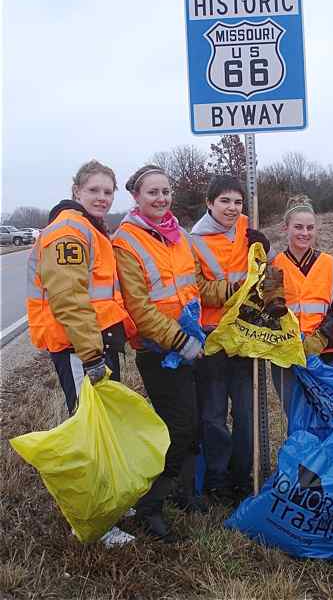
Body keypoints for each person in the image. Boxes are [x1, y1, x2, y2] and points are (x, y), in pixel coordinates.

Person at [26, 159, 136, 547]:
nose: (103, 198)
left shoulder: (91, 229)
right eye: (94, 191)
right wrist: (91, 357)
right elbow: (69, 299)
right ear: (77, 192)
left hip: (96, 344)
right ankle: (94, 521)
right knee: (90, 432)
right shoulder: (69, 231)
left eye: (108, 191)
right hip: (81, 349)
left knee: (103, 427)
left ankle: (110, 500)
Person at [113, 164, 215, 540]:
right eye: (152, 193)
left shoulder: (178, 235)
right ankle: (150, 505)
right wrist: (180, 342)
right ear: (137, 198)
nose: (161, 199)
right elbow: (139, 307)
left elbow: (198, 286)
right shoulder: (126, 241)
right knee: (179, 426)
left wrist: (238, 289)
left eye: (166, 191)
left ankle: (185, 492)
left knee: (195, 422)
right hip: (160, 351)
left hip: (193, 345)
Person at [190, 174, 270, 505]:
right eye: (224, 201)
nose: (232, 208)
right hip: (212, 339)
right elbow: (196, 289)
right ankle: (217, 478)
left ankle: (243, 476)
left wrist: (265, 250)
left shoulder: (249, 233)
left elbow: (266, 279)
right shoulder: (193, 242)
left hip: (245, 336)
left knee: (246, 413)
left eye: (237, 201)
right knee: (213, 415)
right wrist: (234, 291)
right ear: (209, 203)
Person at [271, 195, 333, 415]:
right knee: (297, 418)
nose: (304, 233)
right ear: (285, 228)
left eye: (310, 228)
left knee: (332, 417)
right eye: (298, 227)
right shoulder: (273, 266)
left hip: (326, 355)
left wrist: (319, 339)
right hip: (286, 357)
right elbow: (269, 310)